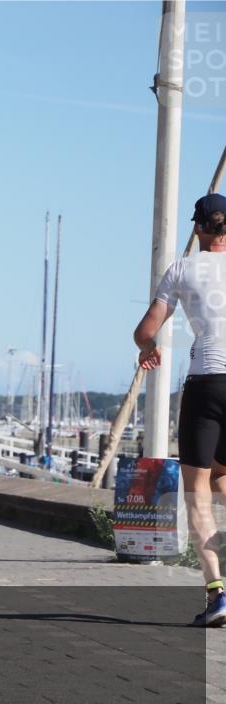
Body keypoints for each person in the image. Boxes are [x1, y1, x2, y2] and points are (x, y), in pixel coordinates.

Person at [134, 192, 226, 627]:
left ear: (198, 227)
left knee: (198, 493)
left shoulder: (182, 270)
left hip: (206, 384)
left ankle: (217, 595)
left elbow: (145, 330)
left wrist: (147, 350)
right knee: (222, 476)